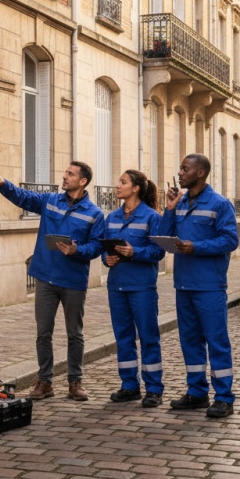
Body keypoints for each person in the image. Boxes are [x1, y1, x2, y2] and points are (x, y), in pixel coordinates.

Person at [0, 162, 105, 401]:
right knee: (43, 333)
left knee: (75, 334)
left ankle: (75, 382)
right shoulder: (51, 200)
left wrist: (77, 250)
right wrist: (4, 185)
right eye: (66, 172)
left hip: (73, 281)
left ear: (82, 181)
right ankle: (45, 382)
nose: (64, 176)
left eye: (70, 174)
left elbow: (97, 246)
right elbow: (25, 198)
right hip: (45, 278)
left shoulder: (94, 214)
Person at [158, 153, 239, 418]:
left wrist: (197, 247)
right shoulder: (180, 202)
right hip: (183, 284)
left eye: (185, 169)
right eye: (180, 168)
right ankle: (196, 392)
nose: (180, 173)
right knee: (190, 341)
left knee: (216, 341)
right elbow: (164, 235)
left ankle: (224, 397)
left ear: (200, 172)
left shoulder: (220, 204)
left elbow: (230, 240)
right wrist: (169, 209)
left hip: (210, 286)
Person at [103, 170, 166, 407]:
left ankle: (154, 389)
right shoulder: (112, 218)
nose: (117, 186)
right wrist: (105, 259)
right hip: (116, 286)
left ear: (136, 188)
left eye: (123, 182)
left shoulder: (152, 217)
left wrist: (134, 252)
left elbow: (159, 251)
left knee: (149, 337)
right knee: (123, 338)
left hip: (142, 287)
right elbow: (105, 248)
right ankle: (129, 385)